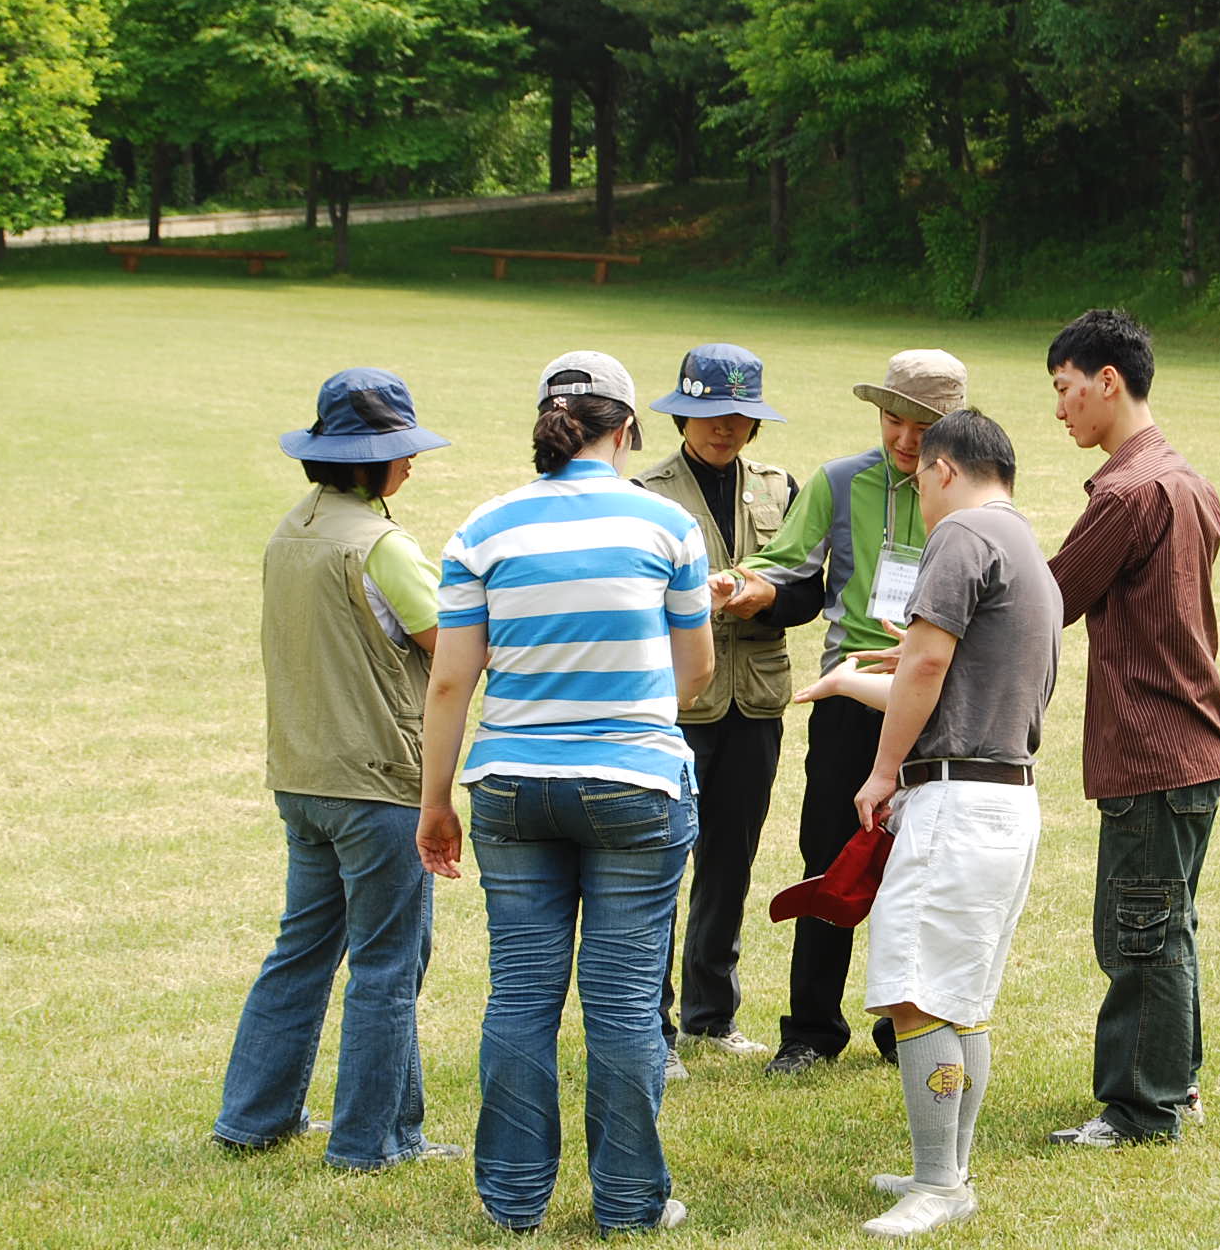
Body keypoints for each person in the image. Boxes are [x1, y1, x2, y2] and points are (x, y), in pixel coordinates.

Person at [416, 351, 715, 1233]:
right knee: (622, 1002)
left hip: (508, 787)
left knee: (520, 994)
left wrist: (437, 801)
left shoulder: (483, 528)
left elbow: (447, 684)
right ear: (627, 430)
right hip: (636, 787)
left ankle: (512, 1204)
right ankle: (629, 1204)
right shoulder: (668, 526)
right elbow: (693, 671)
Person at [791, 408, 1062, 1237]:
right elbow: (934, 671)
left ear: (945, 468)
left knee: (917, 996)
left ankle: (940, 1185)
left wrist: (879, 773)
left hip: (953, 799)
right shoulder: (1028, 551)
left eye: (920, 482)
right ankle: (947, 1167)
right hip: (1006, 797)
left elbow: (930, 663)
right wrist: (852, 680)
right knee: (962, 999)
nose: (920, 499)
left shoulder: (962, 537)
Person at [212, 366, 462, 1171]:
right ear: (367, 462)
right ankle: (370, 1144)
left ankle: (253, 1119)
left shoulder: (291, 531)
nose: (411, 463)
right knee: (390, 964)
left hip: (302, 776)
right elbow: (452, 648)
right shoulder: (381, 545)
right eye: (400, 450)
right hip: (378, 783)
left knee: (302, 950)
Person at [716, 349, 968, 1076]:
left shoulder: (968, 491)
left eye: (924, 427)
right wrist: (732, 585)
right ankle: (810, 1033)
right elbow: (782, 561)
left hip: (937, 698)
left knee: (923, 866)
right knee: (828, 856)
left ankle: (909, 1029)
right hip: (850, 695)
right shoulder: (836, 481)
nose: (906, 441)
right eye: (895, 421)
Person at [1039, 309, 1220, 1148]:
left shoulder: (1125, 493)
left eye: (1065, 389)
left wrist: (942, 623)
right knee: (1167, 922)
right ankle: (1173, 1084)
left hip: (1152, 752)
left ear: (1106, 380)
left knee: (1138, 930)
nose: (1060, 411)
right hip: (1195, 745)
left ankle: (1141, 1107)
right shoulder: (1188, 480)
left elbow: (1047, 601)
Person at [632, 343, 820, 1081]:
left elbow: (809, 591)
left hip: (757, 702)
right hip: (677, 701)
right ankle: (653, 1025)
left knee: (730, 864)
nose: (725, 427)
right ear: (683, 412)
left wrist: (767, 594)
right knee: (658, 865)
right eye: (710, 412)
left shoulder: (781, 488)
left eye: (740, 414)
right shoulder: (647, 493)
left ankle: (712, 1015)